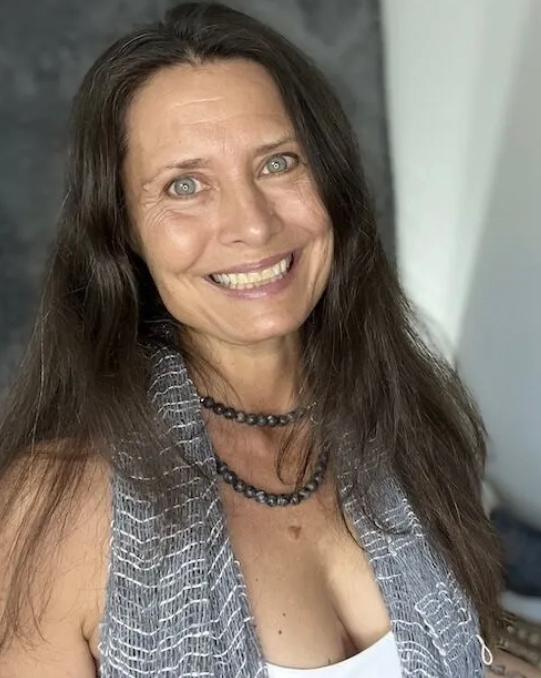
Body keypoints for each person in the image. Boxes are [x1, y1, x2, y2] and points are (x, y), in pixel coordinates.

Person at [0, 2, 539, 676]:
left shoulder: (409, 422)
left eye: (278, 163)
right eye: (185, 185)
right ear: (123, 231)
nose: (253, 226)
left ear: (331, 183)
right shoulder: (54, 509)